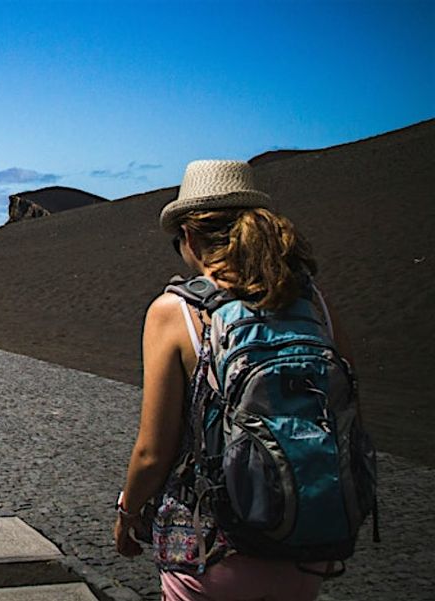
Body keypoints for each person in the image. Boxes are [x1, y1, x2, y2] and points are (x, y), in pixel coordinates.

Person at [113, 160, 355, 600]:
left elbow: (153, 450)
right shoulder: (315, 302)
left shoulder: (177, 312)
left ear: (188, 236)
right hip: (308, 544)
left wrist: (128, 511)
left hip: (212, 549)